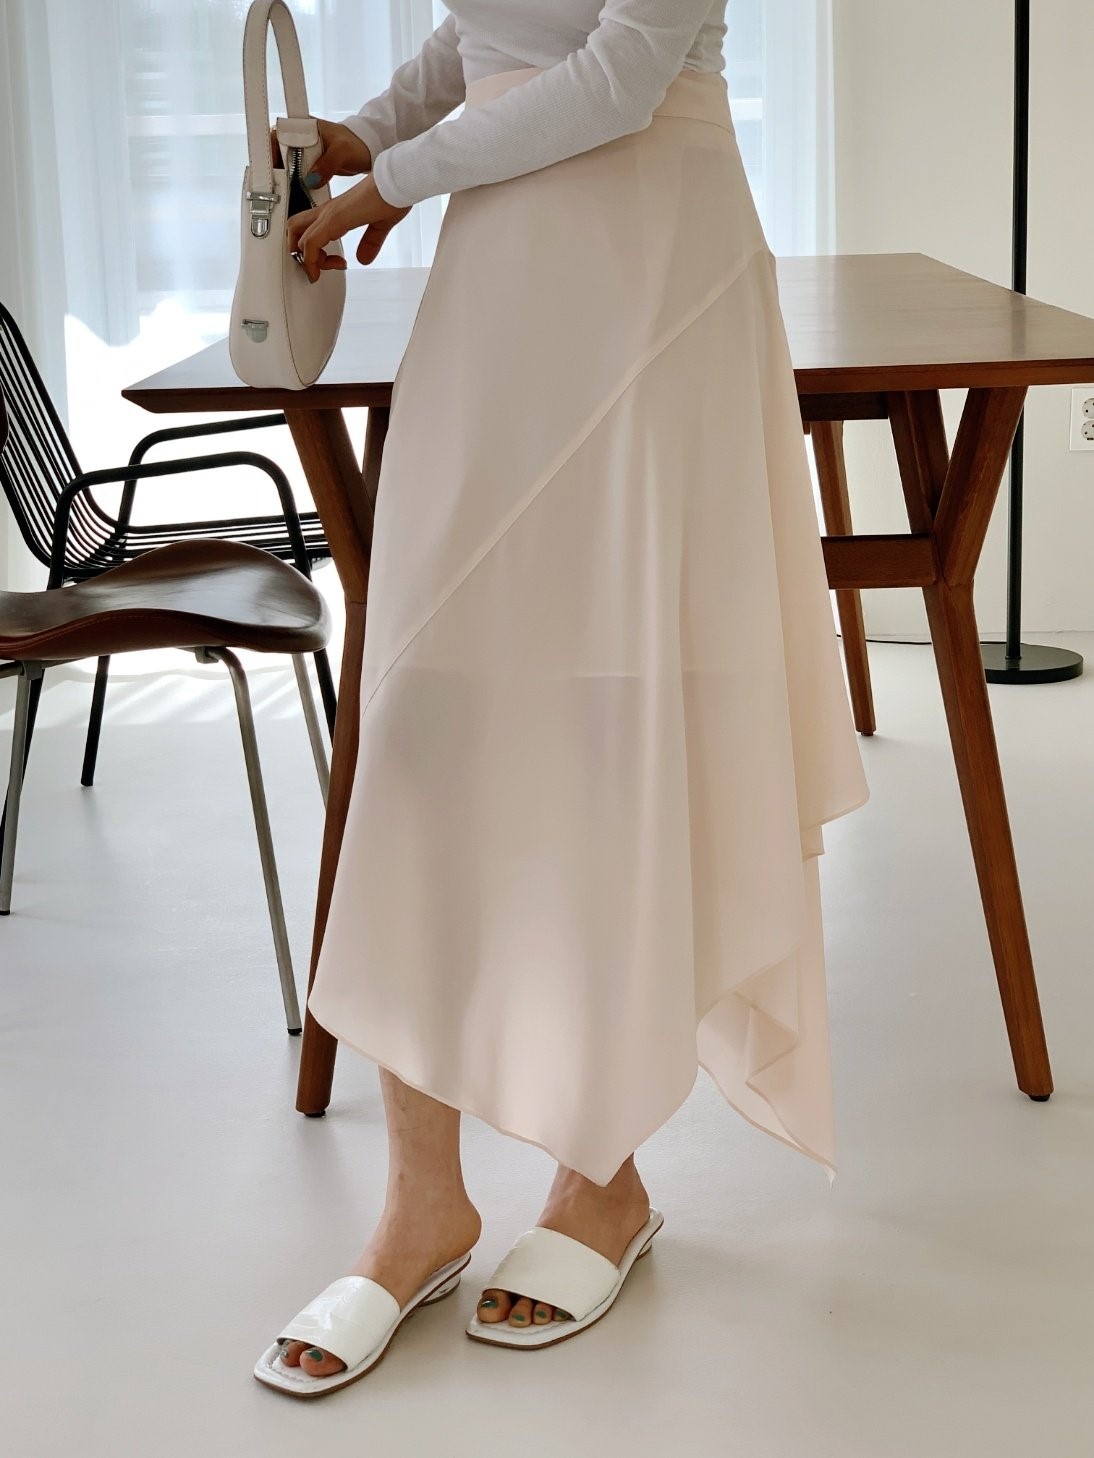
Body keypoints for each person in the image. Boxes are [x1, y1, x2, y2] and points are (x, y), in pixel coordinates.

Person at [253, 0, 870, 1398]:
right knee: (422, 712)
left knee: (612, 711)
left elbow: (620, 73)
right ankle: (423, 1199)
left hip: (647, 266)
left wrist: (394, 176)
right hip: (502, 281)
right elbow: (477, 33)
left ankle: (602, 1178)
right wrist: (368, 130)